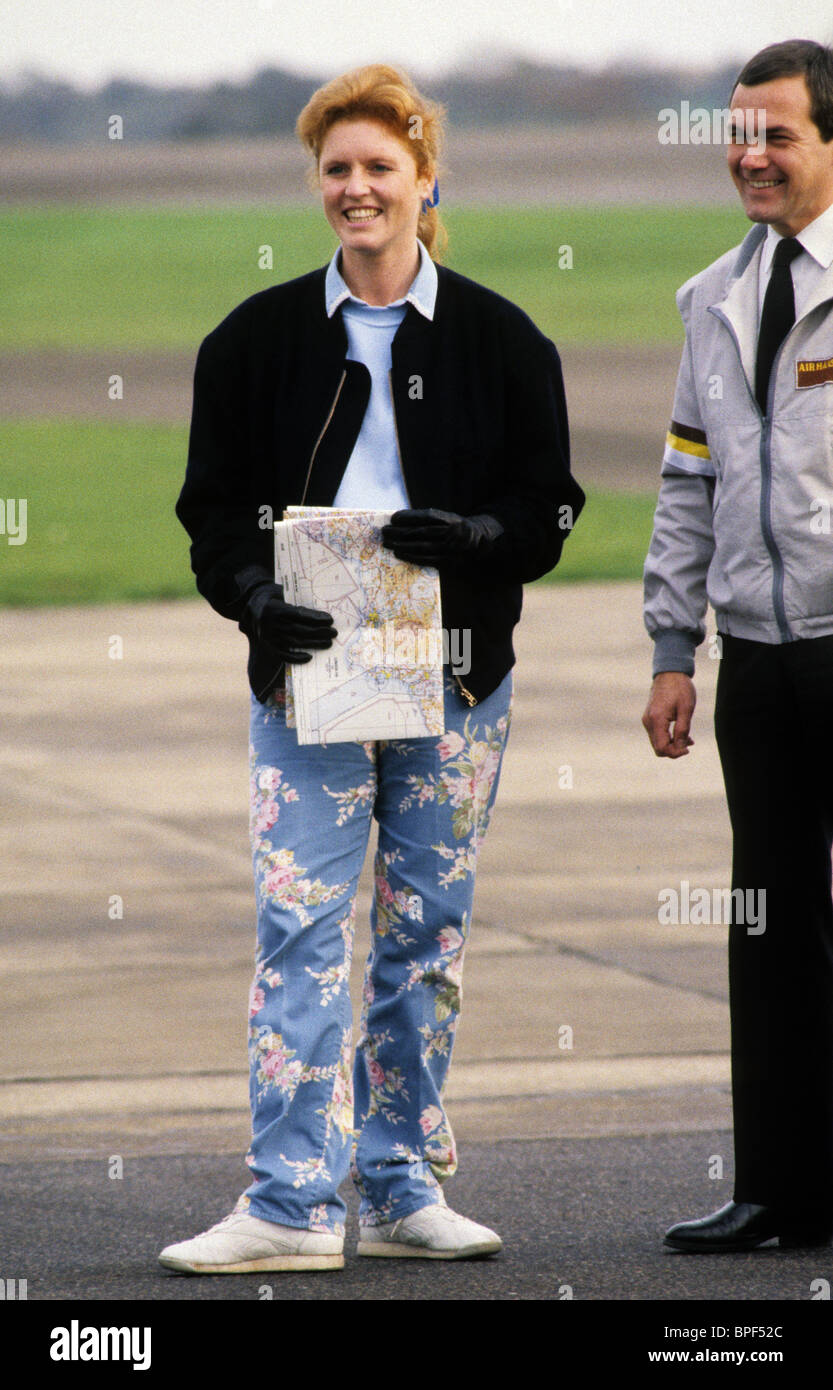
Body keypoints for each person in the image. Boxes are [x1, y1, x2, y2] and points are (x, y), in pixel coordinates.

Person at [159, 63, 583, 1273]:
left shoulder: (504, 337)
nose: (356, 188)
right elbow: (209, 512)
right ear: (318, 185)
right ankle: (289, 1204)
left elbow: (549, 505)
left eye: (378, 167)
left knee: (423, 932)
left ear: (423, 177)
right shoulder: (251, 341)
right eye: (336, 169)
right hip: (308, 683)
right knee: (298, 927)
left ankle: (398, 1181)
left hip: (454, 679)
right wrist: (251, 599)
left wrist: (482, 540)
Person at [643, 39, 833, 1253]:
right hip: (756, 665)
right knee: (767, 922)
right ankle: (779, 1186)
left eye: (776, 134)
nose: (749, 155)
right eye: (738, 133)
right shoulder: (709, 295)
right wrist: (673, 645)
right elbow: (685, 479)